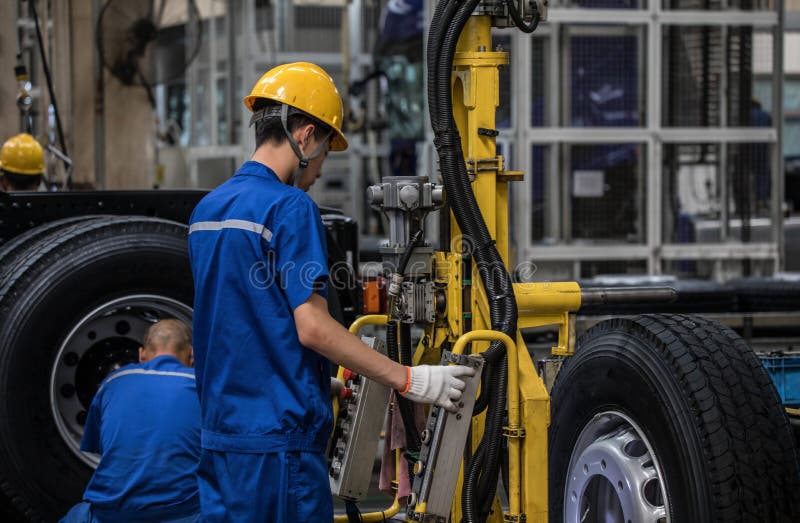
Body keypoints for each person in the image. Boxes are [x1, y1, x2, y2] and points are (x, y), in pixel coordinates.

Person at [187, 62, 474, 522]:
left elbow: (242, 322)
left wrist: (322, 379)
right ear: (305, 137)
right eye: (325, 151)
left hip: (221, 440)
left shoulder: (208, 209)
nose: (320, 169)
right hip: (279, 446)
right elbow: (312, 327)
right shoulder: (290, 207)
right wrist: (409, 378)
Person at [60, 319, 200, 523]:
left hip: (110, 515)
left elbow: (103, 447)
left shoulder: (113, 381)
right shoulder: (201, 386)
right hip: (182, 515)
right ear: (192, 355)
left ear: (141, 354)